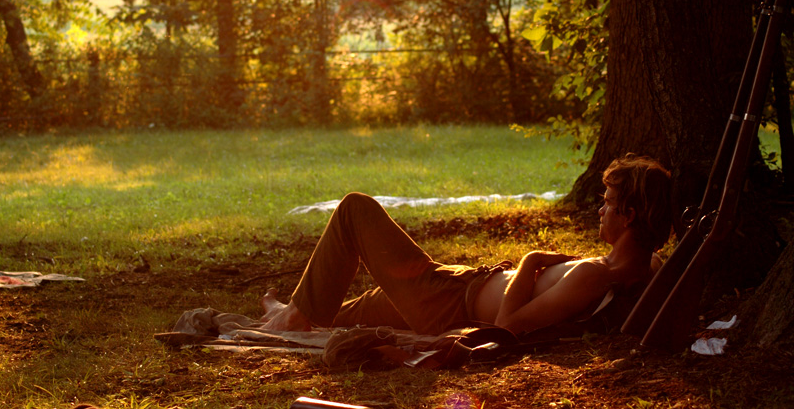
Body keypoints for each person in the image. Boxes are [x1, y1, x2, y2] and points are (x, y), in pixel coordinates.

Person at [260, 154, 672, 336]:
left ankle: (298, 315)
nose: (600, 210)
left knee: (355, 208)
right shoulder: (648, 264)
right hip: (456, 289)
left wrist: (529, 262)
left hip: (450, 303)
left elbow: (509, 327)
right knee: (373, 303)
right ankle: (303, 311)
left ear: (630, 214)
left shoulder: (595, 273)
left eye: (607, 202)